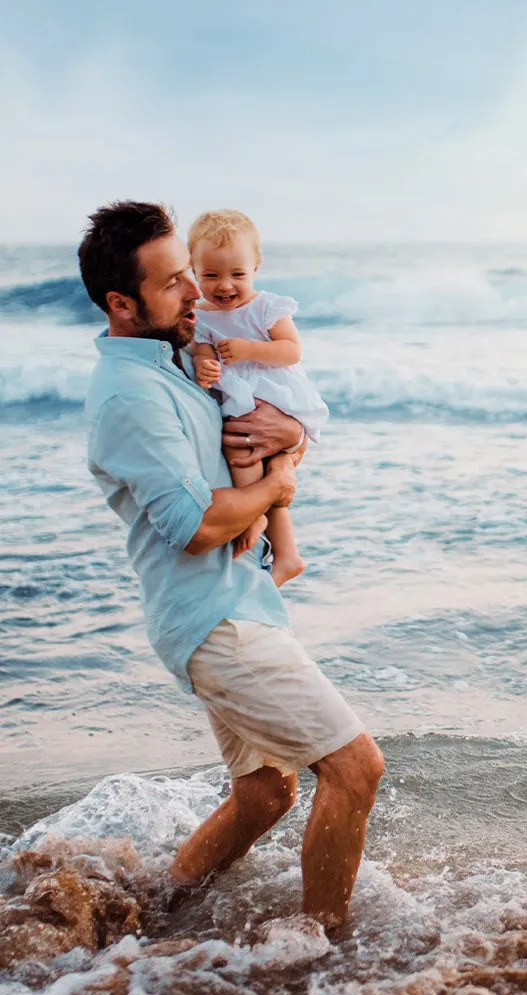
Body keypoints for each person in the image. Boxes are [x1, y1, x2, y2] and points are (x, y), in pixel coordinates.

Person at [78, 201, 383, 932]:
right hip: (214, 619)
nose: (194, 293)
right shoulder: (131, 396)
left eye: (191, 273)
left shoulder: (179, 362)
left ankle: (155, 913)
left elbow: (258, 426)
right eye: (173, 282)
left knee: (265, 795)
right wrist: (278, 487)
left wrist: (290, 439)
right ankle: (321, 950)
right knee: (356, 768)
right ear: (122, 303)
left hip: (234, 604)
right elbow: (195, 528)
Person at [187, 209, 328, 586]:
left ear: (256, 266)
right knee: (246, 457)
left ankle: (268, 529)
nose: (225, 285)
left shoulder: (266, 306)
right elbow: (201, 350)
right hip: (238, 394)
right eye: (211, 275)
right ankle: (282, 548)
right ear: (193, 269)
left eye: (238, 274)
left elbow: (291, 350)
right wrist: (205, 365)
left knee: (252, 453)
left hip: (274, 392)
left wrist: (249, 349)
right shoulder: (200, 316)